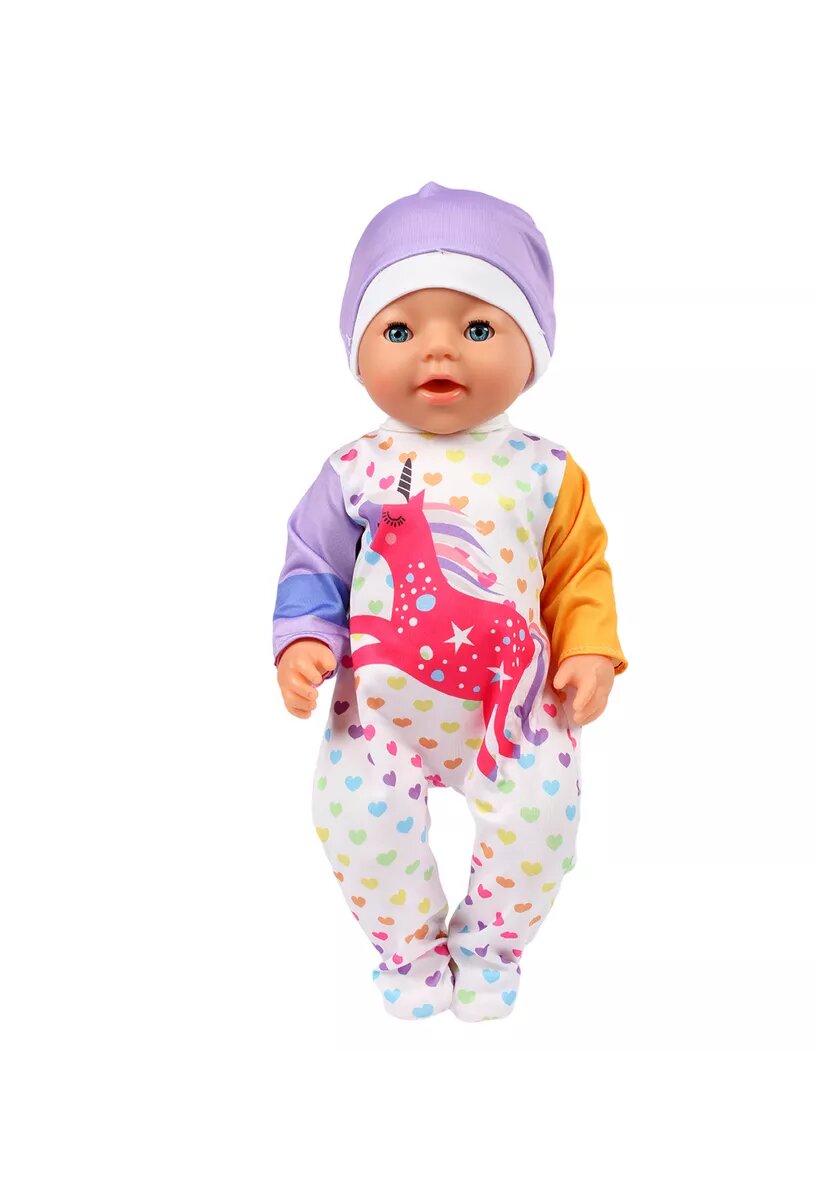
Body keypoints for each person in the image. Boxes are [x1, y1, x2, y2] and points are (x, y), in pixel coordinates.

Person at [272, 181, 628, 1021]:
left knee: (542, 825)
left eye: (477, 328)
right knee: (352, 823)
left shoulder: (547, 471)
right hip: (378, 715)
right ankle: (408, 948)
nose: (439, 353)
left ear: (533, 346)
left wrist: (588, 647)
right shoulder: (355, 471)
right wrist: (304, 640)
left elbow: (579, 569)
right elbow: (312, 561)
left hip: (517, 705)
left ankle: (490, 947)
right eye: (400, 331)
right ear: (359, 350)